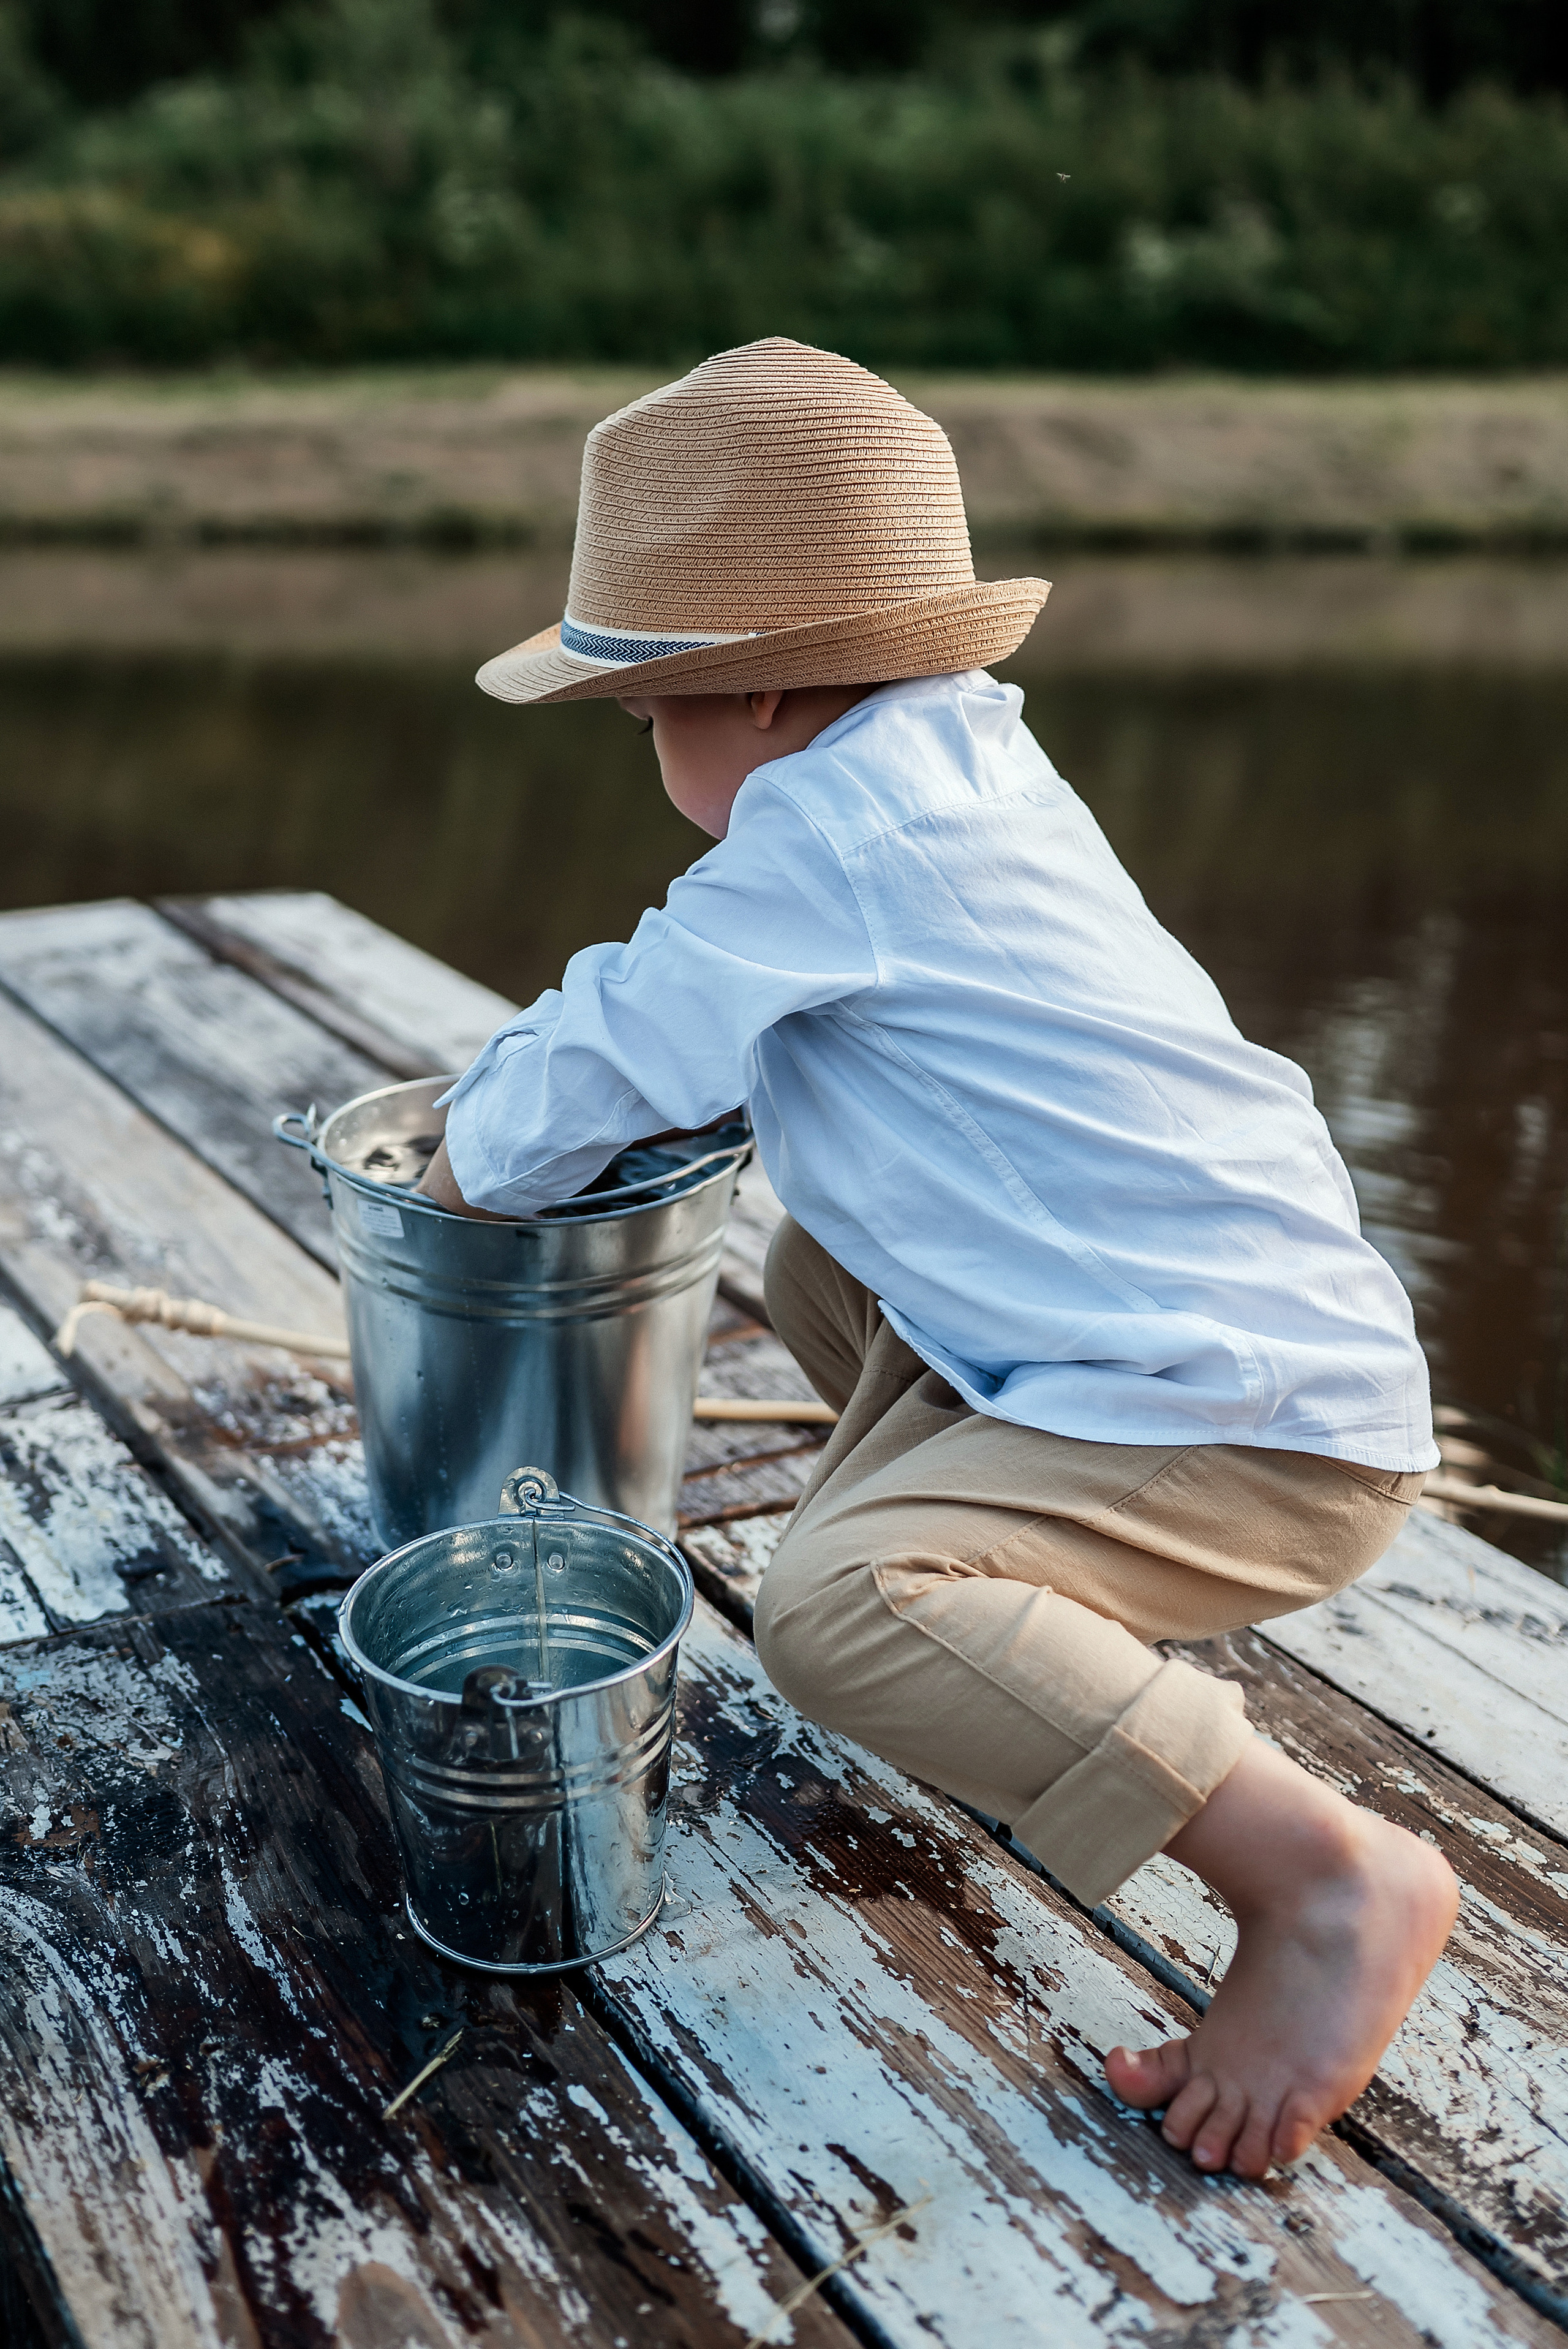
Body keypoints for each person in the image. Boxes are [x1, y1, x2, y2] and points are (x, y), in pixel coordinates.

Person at [418, 336, 1458, 2180]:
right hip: (1232, 1346)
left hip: (1257, 1435)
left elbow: (590, 1070)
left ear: (757, 690)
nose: (643, 748)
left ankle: (1326, 1880)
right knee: (820, 1270)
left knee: (832, 1613)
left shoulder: (830, 835)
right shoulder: (956, 758)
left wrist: (455, 1151)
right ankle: (1000, 1603)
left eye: (642, 711)